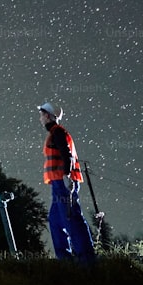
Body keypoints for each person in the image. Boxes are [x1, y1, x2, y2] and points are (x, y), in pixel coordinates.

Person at [38, 102, 96, 261]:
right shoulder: (56, 133)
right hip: (58, 183)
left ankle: (87, 261)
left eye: (42, 114)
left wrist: (67, 175)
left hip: (63, 182)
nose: (40, 118)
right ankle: (64, 260)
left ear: (48, 116)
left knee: (72, 220)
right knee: (56, 221)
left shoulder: (58, 132)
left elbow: (67, 154)